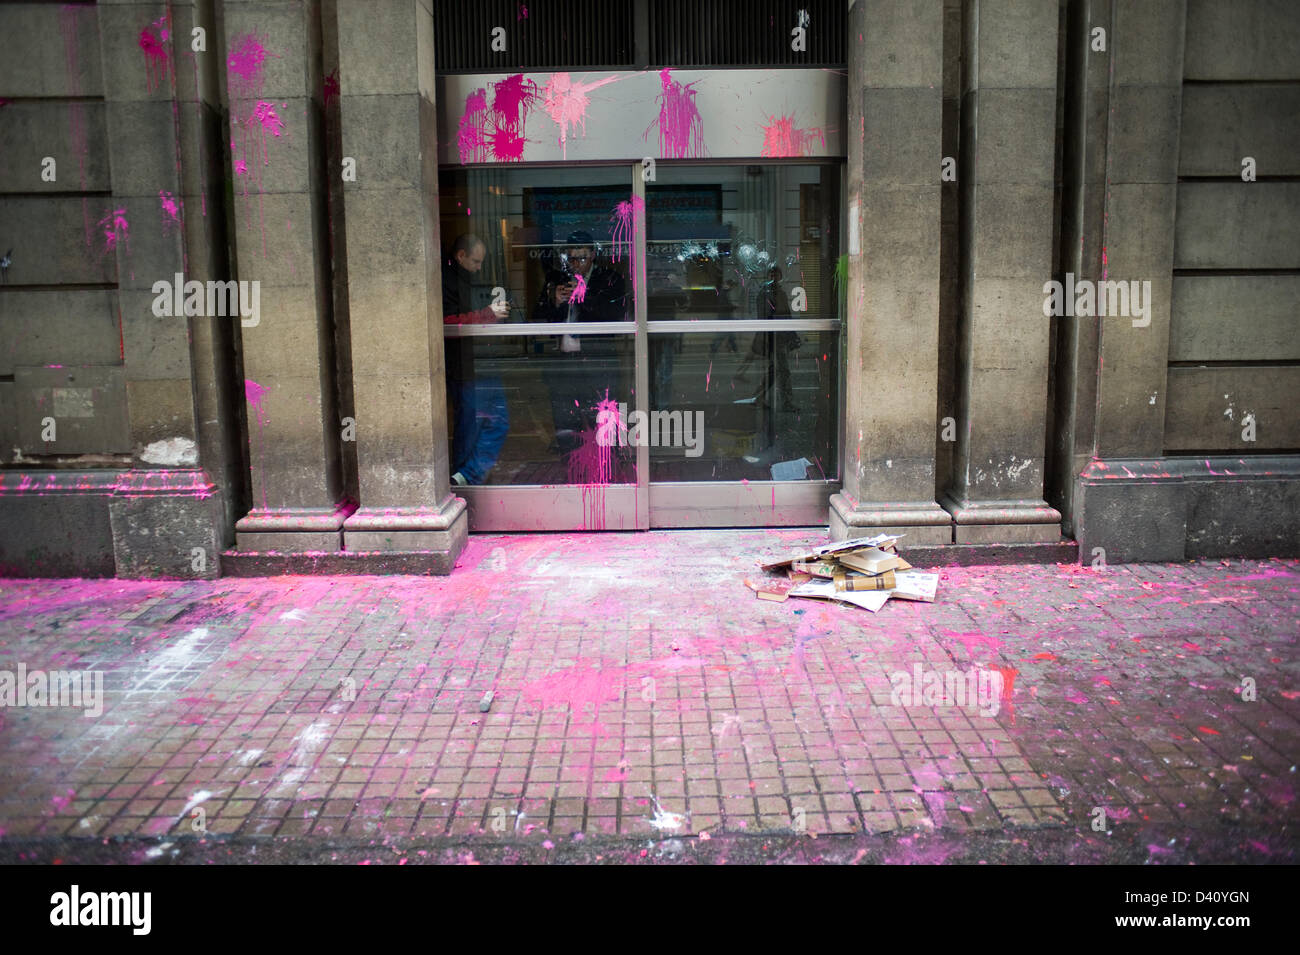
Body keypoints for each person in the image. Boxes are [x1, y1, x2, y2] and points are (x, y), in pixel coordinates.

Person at [531, 231, 628, 457]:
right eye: (571, 259)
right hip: (564, 363)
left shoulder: (609, 278)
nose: (576, 264)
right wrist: (554, 301)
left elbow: (614, 315)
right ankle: (572, 470)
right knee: (566, 423)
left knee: (602, 421)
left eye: (581, 258)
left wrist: (582, 296)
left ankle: (606, 470)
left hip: (597, 362)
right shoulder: (556, 279)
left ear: (593, 255)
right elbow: (537, 316)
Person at [443, 233, 509, 486]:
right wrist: (488, 314)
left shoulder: (467, 280)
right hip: (464, 366)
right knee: (470, 429)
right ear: (461, 256)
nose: (480, 267)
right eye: (476, 261)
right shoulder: (446, 282)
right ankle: (465, 480)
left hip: (482, 362)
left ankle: (466, 477)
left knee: (497, 422)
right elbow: (447, 323)